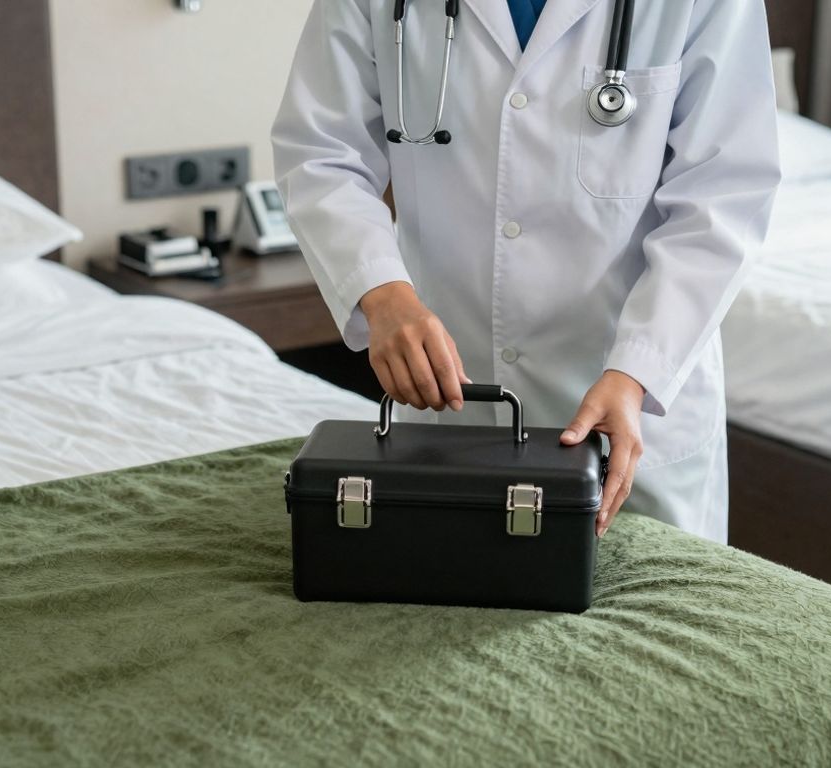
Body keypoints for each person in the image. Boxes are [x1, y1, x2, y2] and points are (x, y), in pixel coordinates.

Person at [271, 0, 780, 542]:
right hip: (452, 399)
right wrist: (382, 293)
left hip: (628, 410)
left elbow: (723, 195)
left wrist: (636, 373)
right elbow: (321, 153)